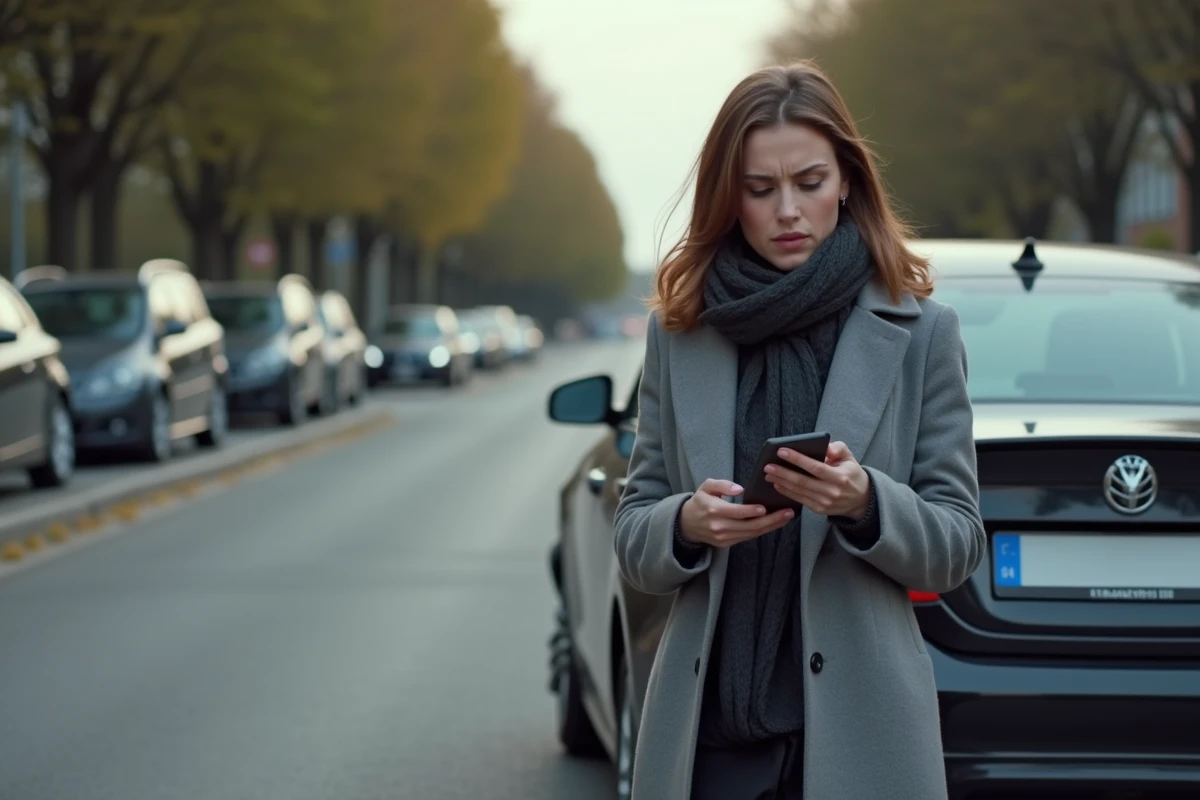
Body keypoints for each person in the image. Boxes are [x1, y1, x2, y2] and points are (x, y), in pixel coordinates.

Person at [613, 61, 986, 800]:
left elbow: (958, 544)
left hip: (860, 745)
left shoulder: (921, 335)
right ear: (731, 197)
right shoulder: (681, 335)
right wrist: (687, 524)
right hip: (709, 743)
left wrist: (865, 503)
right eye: (760, 189)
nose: (788, 209)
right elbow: (633, 537)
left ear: (847, 180)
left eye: (809, 183)